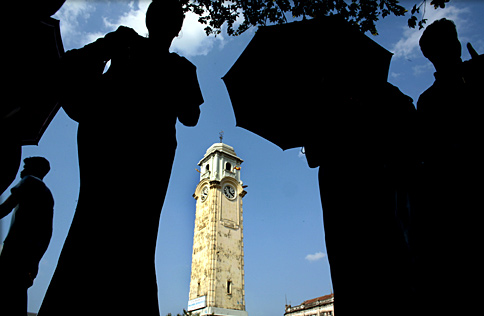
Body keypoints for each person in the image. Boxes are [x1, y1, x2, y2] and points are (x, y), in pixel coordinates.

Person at [39, 1, 203, 315]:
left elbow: (70, 64)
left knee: (91, 226)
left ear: (149, 19)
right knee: (136, 239)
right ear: (178, 28)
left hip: (106, 149)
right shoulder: (181, 67)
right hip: (148, 158)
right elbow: (191, 117)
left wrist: (108, 46)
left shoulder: (126, 44)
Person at [305, 80, 417, 316]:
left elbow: (312, 157)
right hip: (372, 181)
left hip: (345, 188)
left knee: (352, 266)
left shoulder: (317, 100)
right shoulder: (376, 88)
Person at [415, 18, 483, 315]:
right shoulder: (429, 101)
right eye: (449, 43)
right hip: (459, 203)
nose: (455, 47)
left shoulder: (428, 100)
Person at [0, 157, 54, 316]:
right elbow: (47, 233)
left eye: (26, 167)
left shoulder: (29, 181)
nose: (22, 171)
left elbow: (4, 209)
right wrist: (35, 261)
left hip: (15, 250)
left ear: (36, 170)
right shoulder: (47, 194)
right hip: (29, 255)